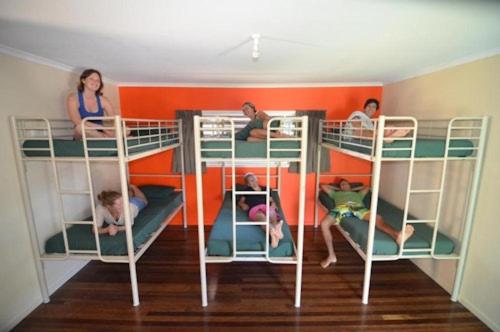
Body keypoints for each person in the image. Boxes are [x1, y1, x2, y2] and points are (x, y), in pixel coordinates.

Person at [319, 179, 415, 268]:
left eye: (345, 184)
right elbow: (322, 186)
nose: (343, 186)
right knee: (324, 224)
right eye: (342, 185)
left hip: (358, 208)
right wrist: (338, 188)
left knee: (377, 218)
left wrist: (353, 189)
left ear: (349, 185)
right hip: (341, 208)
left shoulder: (358, 194)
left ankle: (397, 235)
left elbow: (367, 187)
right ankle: (331, 256)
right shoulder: (336, 194)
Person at [238, 173, 284, 248]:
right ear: (248, 184)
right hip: (255, 208)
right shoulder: (247, 190)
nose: (254, 180)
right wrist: (242, 205)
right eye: (251, 180)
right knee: (263, 218)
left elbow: (271, 200)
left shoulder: (266, 189)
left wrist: (273, 203)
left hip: (266, 206)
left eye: (254, 179)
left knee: (272, 214)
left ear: (257, 179)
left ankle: (274, 237)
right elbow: (241, 202)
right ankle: (275, 231)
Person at [67, 69, 116, 139]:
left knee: (126, 130)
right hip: (84, 131)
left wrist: (116, 128)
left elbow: (114, 119)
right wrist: (104, 128)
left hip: (100, 131)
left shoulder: (103, 100)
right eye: (91, 79)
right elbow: (77, 121)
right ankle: (108, 138)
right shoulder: (73, 98)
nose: (95, 82)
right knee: (79, 127)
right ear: (83, 80)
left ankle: (108, 137)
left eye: (98, 80)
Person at [345, 98, 410, 143]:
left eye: (374, 107)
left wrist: (374, 132)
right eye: (369, 106)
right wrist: (374, 132)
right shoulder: (358, 114)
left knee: (380, 130)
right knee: (360, 132)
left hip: (367, 136)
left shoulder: (371, 123)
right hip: (352, 135)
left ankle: (386, 135)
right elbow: (355, 124)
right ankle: (386, 135)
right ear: (365, 107)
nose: (371, 108)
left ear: (375, 110)